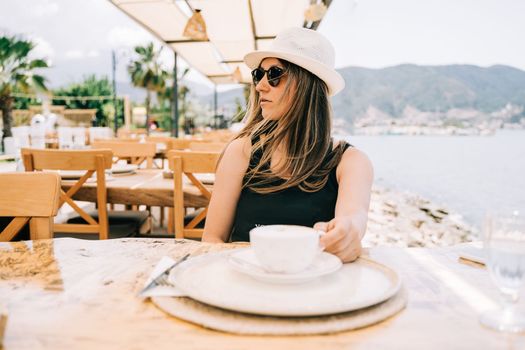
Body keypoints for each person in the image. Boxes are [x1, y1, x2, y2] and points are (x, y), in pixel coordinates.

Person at [202, 27, 373, 263]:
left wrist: (347, 234)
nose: (261, 85)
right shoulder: (241, 151)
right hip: (245, 284)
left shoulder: (351, 161)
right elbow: (212, 239)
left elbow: (355, 219)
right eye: (258, 74)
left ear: (307, 85)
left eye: (274, 74)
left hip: (309, 289)